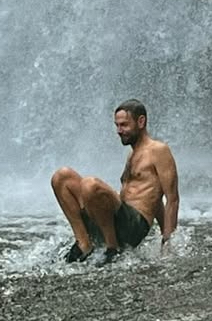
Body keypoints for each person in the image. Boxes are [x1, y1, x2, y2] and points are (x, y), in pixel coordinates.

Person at [50, 99, 180, 266]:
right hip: (116, 222)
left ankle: (113, 249)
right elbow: (154, 197)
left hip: (133, 227)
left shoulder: (159, 150)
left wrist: (167, 243)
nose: (119, 131)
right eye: (117, 125)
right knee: (62, 177)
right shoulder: (132, 154)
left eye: (124, 125)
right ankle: (84, 244)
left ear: (141, 121)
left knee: (90, 184)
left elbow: (172, 198)